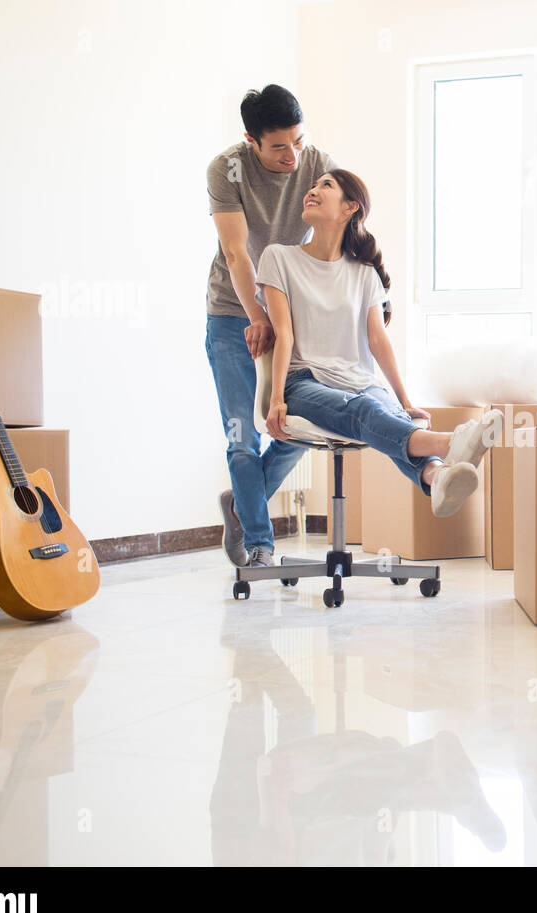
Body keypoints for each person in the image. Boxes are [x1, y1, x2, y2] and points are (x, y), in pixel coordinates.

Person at [255, 169, 503, 515]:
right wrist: (277, 398)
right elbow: (285, 334)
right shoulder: (279, 258)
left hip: (360, 382)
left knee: (389, 414)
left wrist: (405, 399)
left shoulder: (364, 273)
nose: (311, 191)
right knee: (367, 410)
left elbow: (377, 340)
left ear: (349, 207)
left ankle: (436, 476)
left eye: (325, 186)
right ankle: (451, 444)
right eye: (312, 186)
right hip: (305, 382)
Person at [205, 84, 337, 568]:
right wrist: (255, 315)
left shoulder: (317, 161)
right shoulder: (228, 169)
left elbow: (342, 234)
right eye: (279, 145)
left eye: (298, 141)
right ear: (251, 140)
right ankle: (259, 544)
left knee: (300, 425)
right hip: (230, 312)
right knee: (243, 433)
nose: (292, 155)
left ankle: (241, 504)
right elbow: (237, 253)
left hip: (290, 310)